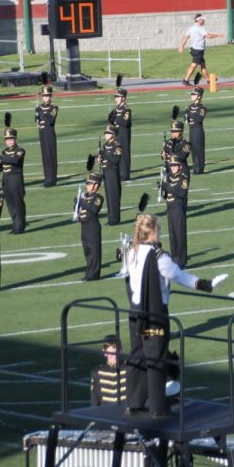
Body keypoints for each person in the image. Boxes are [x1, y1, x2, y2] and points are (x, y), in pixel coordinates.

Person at [124, 214, 218, 416]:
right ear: (154, 232)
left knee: (137, 355)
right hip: (155, 312)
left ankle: (134, 401)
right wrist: (204, 284)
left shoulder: (132, 251)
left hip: (135, 311)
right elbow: (178, 275)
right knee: (156, 358)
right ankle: (158, 407)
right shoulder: (159, 256)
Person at [0, 127, 26, 235]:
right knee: (10, 205)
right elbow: (0, 167)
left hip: (16, 180)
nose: (9, 141)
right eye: (7, 139)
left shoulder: (20, 150)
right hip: (6, 180)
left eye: (11, 139)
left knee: (18, 204)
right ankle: (15, 225)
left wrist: (1, 158)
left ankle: (20, 226)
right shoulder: (4, 152)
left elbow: (15, 160)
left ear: (15, 139)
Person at [161, 155, 190, 269]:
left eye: (175, 165)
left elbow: (181, 193)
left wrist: (166, 186)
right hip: (170, 207)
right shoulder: (169, 177)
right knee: (172, 234)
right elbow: (166, 194)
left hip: (178, 208)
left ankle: (182, 261)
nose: (173, 168)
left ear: (180, 166)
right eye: (171, 165)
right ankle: (175, 258)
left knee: (179, 234)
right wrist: (162, 189)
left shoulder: (183, 178)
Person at [179, 14, 220, 85]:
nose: (204, 20)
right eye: (202, 19)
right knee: (194, 65)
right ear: (198, 20)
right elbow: (208, 36)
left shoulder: (191, 28)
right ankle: (186, 80)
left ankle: (208, 80)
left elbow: (186, 37)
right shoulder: (200, 28)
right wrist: (218, 35)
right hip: (198, 50)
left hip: (194, 50)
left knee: (203, 65)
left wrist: (181, 46)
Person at [77, 172, 104, 281]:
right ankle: (89, 273)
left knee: (94, 251)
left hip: (92, 226)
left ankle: (94, 274)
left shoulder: (98, 197)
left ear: (96, 185)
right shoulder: (85, 196)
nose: (87, 185)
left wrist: (81, 202)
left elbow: (94, 209)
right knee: (87, 251)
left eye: (89, 183)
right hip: (84, 226)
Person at [90, 335, 127, 405]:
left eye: (116, 353)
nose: (114, 357)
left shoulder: (128, 368)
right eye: (111, 353)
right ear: (104, 352)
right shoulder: (97, 372)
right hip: (105, 414)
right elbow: (94, 400)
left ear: (121, 351)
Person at [98, 126, 122, 226]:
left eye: (107, 133)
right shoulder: (106, 145)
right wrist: (99, 158)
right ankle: (110, 218)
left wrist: (105, 153)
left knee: (113, 197)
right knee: (109, 197)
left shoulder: (117, 145)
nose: (105, 135)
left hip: (112, 173)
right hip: (106, 173)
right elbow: (105, 157)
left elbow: (116, 160)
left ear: (112, 134)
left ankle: (115, 219)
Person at [36, 85, 59, 187]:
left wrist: (41, 114)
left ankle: (52, 179)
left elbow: (50, 120)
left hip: (49, 133)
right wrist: (38, 115)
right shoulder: (39, 108)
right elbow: (37, 122)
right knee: (45, 156)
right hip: (42, 133)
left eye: (48, 95)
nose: (46, 97)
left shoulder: (53, 107)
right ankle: (47, 178)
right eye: (44, 95)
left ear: (51, 96)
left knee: (51, 155)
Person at [108, 85, 132, 181]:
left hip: (123, 133)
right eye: (116, 97)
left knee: (124, 152)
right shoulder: (116, 109)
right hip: (116, 133)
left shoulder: (126, 109)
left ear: (123, 98)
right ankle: (119, 173)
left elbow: (125, 122)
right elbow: (110, 121)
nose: (116, 99)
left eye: (118, 97)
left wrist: (116, 118)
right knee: (117, 152)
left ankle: (125, 174)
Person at [184, 84, 208, 174]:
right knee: (193, 150)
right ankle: (195, 168)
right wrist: (186, 115)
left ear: (199, 96)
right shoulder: (190, 107)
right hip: (191, 130)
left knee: (199, 150)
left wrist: (190, 116)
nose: (192, 96)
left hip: (198, 130)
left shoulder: (202, 108)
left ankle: (200, 169)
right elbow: (187, 120)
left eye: (193, 95)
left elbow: (199, 119)